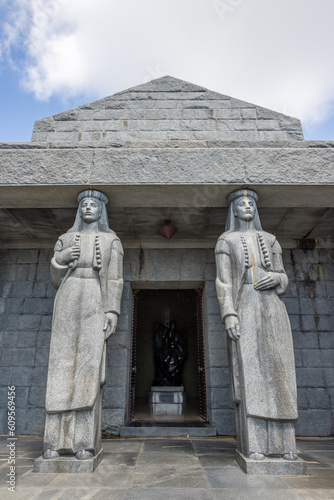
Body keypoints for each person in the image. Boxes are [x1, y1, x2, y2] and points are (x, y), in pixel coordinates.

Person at [215, 189, 298, 460]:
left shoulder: (271, 240)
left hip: (273, 307)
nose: (247, 206)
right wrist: (229, 314)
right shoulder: (226, 241)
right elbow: (224, 282)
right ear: (234, 210)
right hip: (246, 304)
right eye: (242, 203)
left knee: (280, 371)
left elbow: (283, 275)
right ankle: (256, 445)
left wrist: (277, 279)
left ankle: (286, 445)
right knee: (252, 373)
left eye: (251, 202)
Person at [43, 190, 123, 460]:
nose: (88, 208)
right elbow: (55, 279)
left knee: (88, 367)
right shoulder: (64, 239)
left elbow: (115, 280)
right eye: (84, 204)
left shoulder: (112, 240)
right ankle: (53, 443)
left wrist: (112, 310)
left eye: (94, 204)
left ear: (101, 211)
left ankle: (83, 443)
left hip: (94, 297)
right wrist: (60, 260)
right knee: (61, 365)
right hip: (67, 297)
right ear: (79, 211)